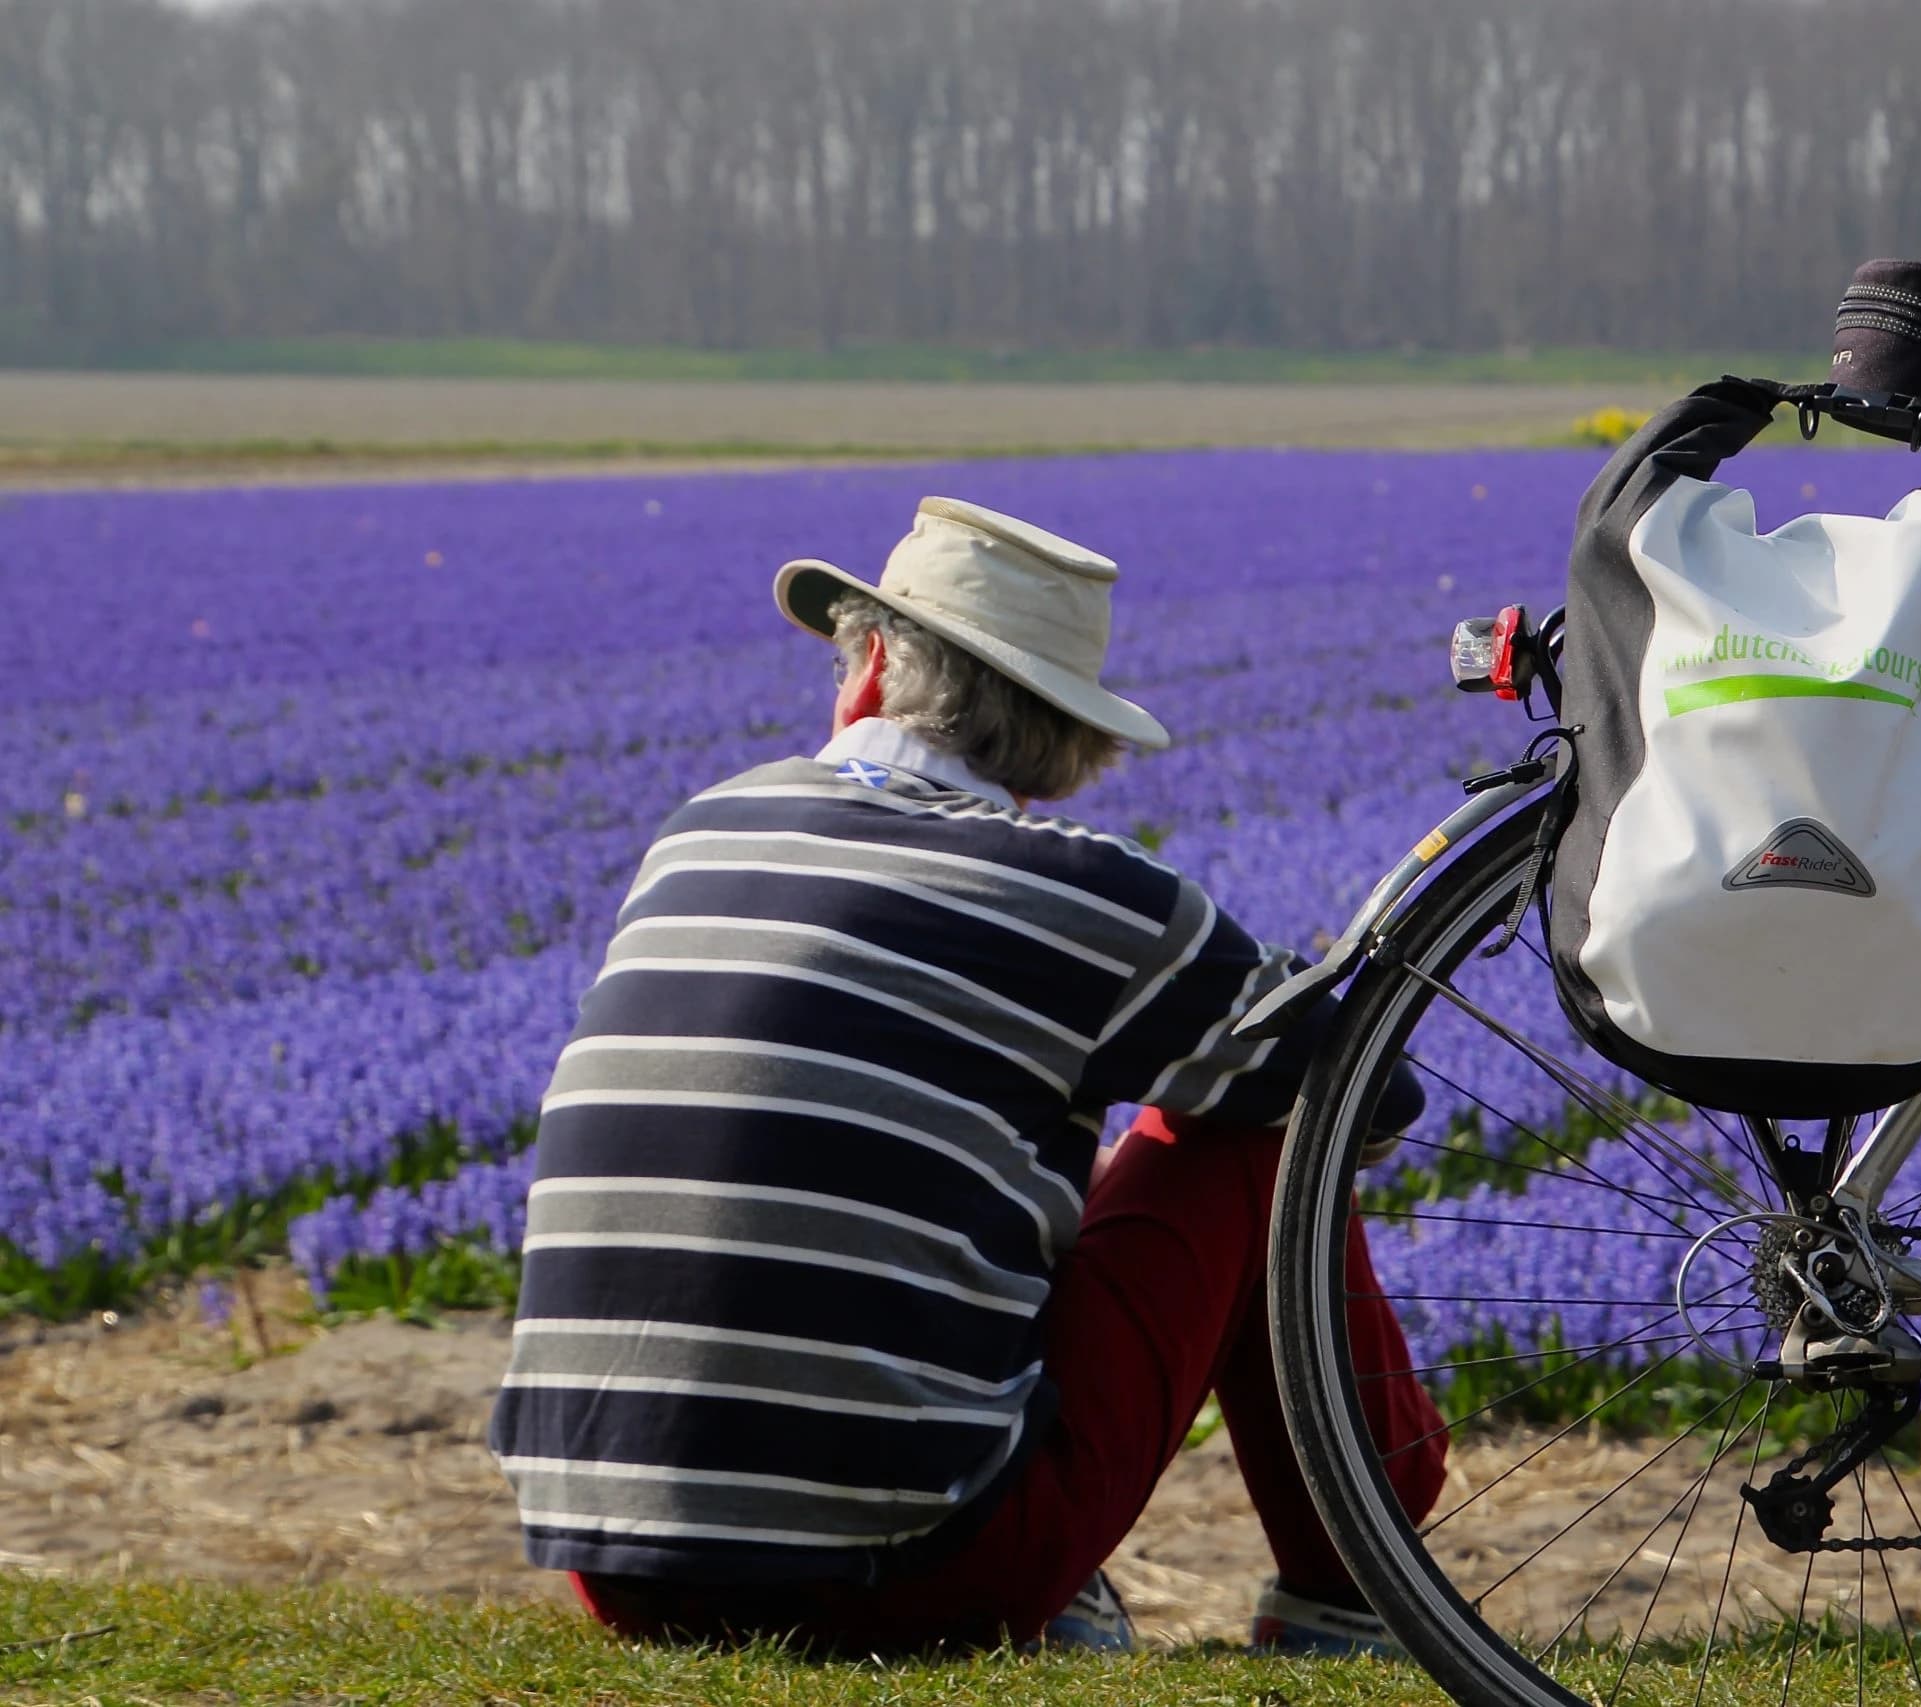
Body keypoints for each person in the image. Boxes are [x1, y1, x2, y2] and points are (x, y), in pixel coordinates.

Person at [486, 496, 1448, 1655]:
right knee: (1261, 1125)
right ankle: (1351, 1582)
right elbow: (1363, 1103)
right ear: (1074, 740)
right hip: (909, 1578)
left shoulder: (703, 827)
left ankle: (1066, 1563)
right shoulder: (1092, 901)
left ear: (871, 666)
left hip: (616, 1564)